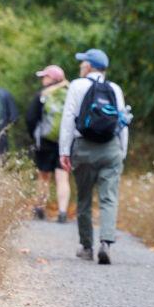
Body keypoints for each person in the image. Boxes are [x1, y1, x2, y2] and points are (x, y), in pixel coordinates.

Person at [58, 48, 131, 264]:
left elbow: (68, 118)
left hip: (84, 147)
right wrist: (122, 150)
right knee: (109, 198)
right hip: (111, 148)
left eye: (83, 63)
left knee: (84, 197)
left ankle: (87, 246)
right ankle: (106, 243)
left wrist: (64, 150)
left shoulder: (76, 85)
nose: (81, 66)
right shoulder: (114, 89)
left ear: (88, 66)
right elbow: (122, 121)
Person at [22, 64, 72, 221]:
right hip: (65, 142)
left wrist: (34, 135)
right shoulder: (70, 93)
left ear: (53, 78)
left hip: (44, 141)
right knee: (62, 177)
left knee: (44, 176)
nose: (43, 79)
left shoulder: (43, 95)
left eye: (45, 76)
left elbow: (30, 117)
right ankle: (62, 213)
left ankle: (39, 209)